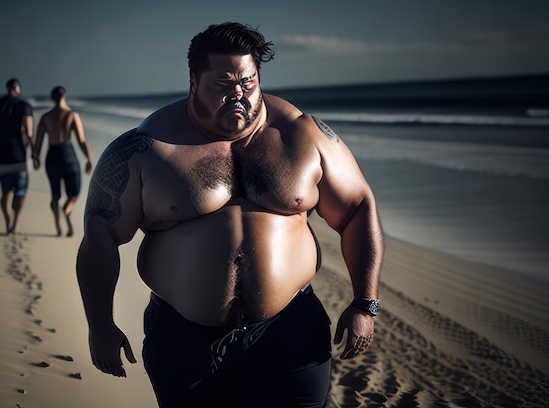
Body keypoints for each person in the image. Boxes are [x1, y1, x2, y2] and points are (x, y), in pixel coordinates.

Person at [77, 22, 384, 408]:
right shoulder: (147, 147)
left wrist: (364, 303)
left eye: (248, 82)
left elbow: (358, 207)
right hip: (184, 340)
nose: (238, 95)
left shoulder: (303, 136)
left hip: (290, 332)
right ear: (193, 81)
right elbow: (101, 231)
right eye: (222, 85)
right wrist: (100, 324)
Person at [33, 86, 92, 237]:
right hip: (68, 156)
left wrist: (36, 157)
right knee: (74, 193)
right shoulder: (72, 115)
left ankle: (58, 226)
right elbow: (81, 139)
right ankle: (67, 210)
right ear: (64, 96)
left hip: (52, 157)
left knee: (55, 195)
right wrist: (88, 158)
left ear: (52, 98)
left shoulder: (46, 117)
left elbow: (38, 141)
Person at [0, 78, 33, 234]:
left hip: (0, 158)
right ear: (18, 89)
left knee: (5, 192)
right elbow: (29, 133)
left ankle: (7, 222)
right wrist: (34, 152)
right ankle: (15, 223)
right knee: (21, 191)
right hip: (18, 158)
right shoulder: (23, 106)